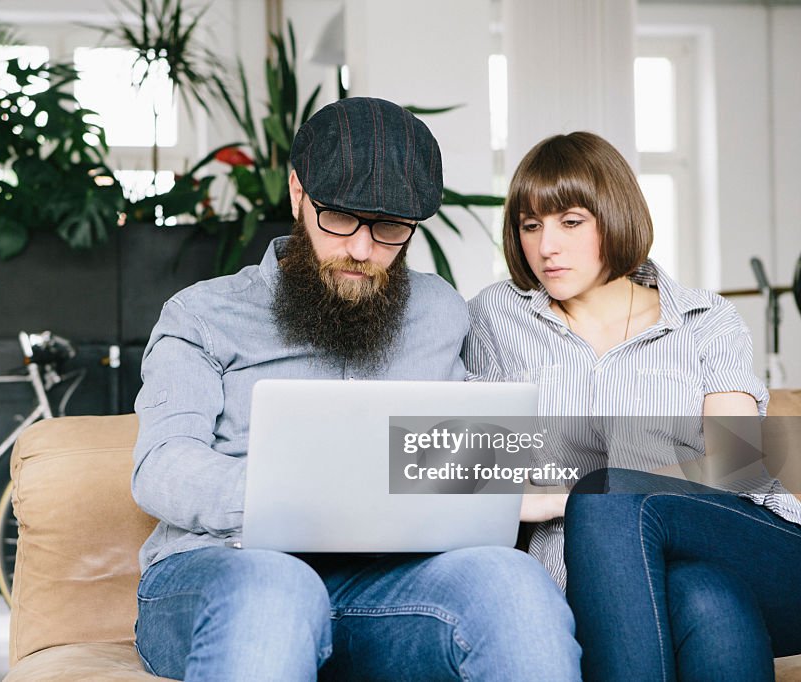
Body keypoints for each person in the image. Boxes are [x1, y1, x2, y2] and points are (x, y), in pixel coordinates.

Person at [131, 97, 580, 681]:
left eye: (390, 227)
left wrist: (682, 457)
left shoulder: (440, 311)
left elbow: (477, 452)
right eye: (338, 218)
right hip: (227, 572)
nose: (363, 251)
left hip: (387, 584)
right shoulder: (202, 314)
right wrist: (307, 495)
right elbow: (161, 466)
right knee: (278, 586)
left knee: (512, 582)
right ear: (298, 194)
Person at [463, 131, 801, 681]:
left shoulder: (703, 319)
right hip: (602, 584)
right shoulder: (496, 321)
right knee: (707, 598)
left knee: (607, 494)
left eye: (570, 221)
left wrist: (572, 491)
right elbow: (468, 470)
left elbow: (735, 467)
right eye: (530, 225)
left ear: (615, 216)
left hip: (757, 550)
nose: (547, 245)